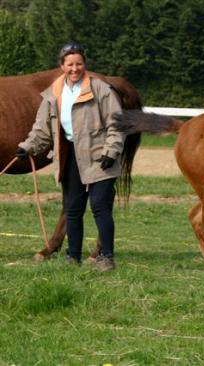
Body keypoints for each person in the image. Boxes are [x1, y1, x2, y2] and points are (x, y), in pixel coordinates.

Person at [15, 42, 125, 271]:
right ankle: (72, 257)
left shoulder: (101, 89)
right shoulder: (53, 93)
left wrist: (111, 151)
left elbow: (117, 123)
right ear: (62, 66)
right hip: (70, 156)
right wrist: (27, 147)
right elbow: (42, 129)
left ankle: (106, 257)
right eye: (70, 64)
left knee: (99, 206)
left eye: (79, 63)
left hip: (100, 155)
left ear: (84, 64)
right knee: (73, 208)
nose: (75, 68)